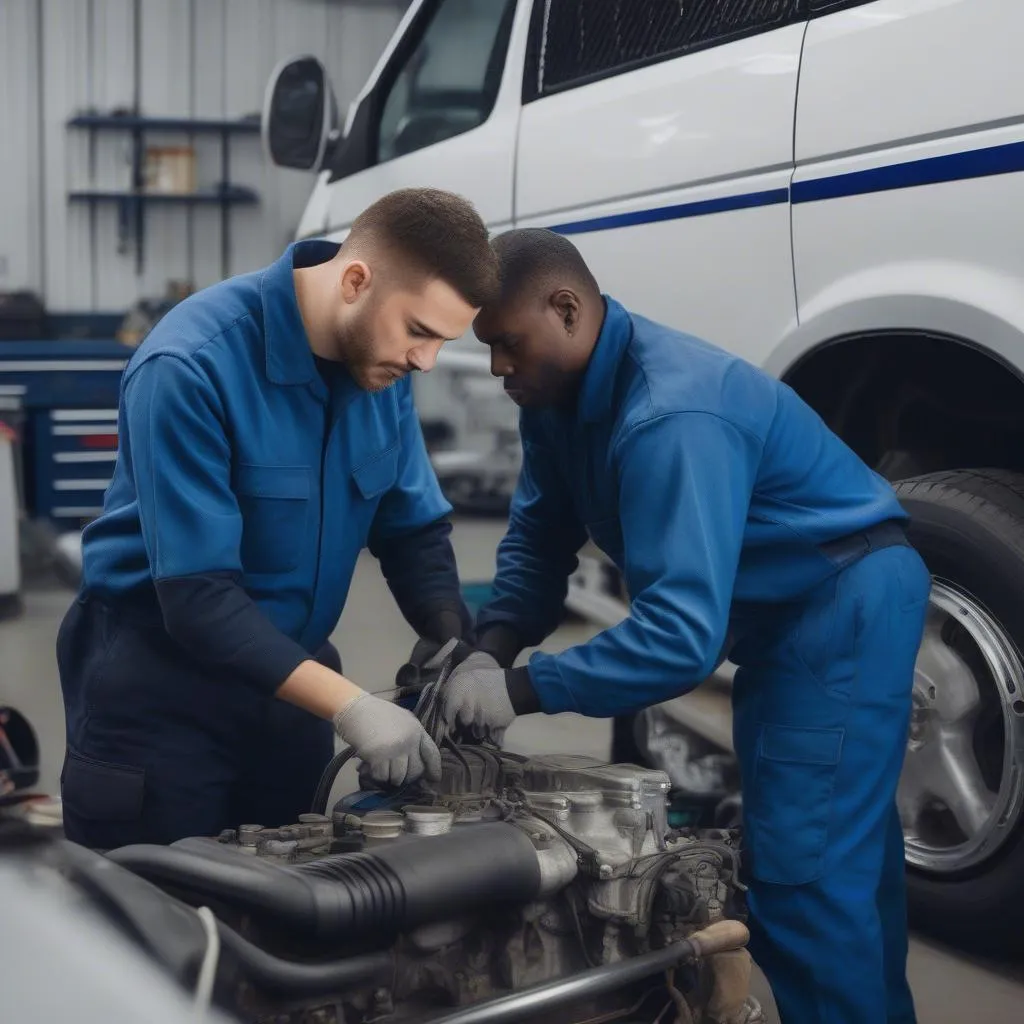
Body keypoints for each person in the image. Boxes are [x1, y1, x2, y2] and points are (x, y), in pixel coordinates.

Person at [443, 229, 929, 1024]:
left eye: (505, 343)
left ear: (566, 309)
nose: (496, 366)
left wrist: (521, 690)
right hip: (790, 613)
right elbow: (536, 545)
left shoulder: (668, 412)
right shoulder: (555, 404)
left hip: (841, 601)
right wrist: (484, 652)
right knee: (843, 859)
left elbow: (678, 639)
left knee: (805, 880)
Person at [57, 188, 500, 850]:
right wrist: (351, 706)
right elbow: (198, 598)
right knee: (157, 929)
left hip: (291, 696)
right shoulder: (188, 365)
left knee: (292, 916)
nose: (425, 362)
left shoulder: (382, 371)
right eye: (419, 332)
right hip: (161, 698)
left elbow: (412, 529)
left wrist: (451, 644)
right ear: (355, 281)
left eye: (442, 341)